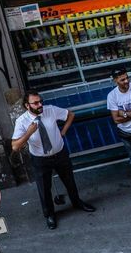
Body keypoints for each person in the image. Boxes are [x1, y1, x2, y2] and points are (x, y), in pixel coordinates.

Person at [12, 90, 95, 229]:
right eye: (36, 103)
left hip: (60, 154)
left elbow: (70, 115)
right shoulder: (21, 121)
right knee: (44, 188)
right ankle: (49, 215)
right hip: (40, 159)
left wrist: (63, 131)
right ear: (27, 105)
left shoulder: (50, 110)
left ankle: (77, 202)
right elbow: (15, 146)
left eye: (41, 101)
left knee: (69, 181)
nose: (40, 105)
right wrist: (29, 133)